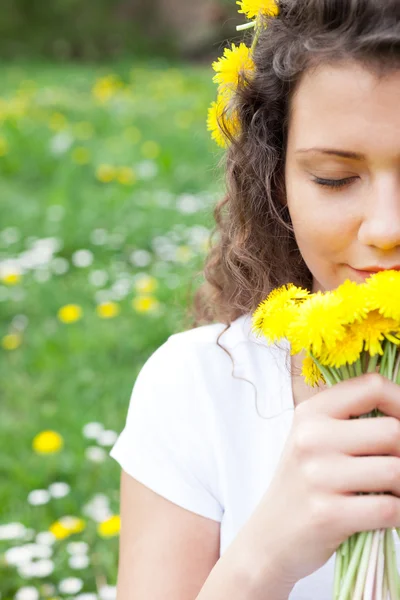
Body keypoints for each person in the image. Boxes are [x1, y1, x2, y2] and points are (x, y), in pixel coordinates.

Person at [109, 0, 400, 598]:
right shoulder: (200, 388)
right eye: (335, 178)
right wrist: (264, 557)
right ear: (277, 183)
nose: (386, 227)